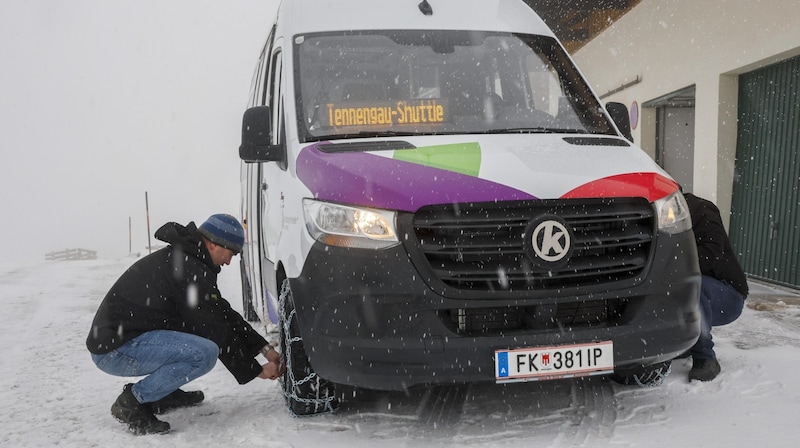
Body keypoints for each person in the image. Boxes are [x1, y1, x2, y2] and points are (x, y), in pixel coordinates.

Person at [86, 214, 284, 435]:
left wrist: (264, 348)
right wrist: (256, 370)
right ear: (213, 244)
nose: (229, 261)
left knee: (197, 334)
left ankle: (161, 393)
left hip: (125, 339)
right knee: (204, 352)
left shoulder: (190, 261)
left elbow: (221, 312)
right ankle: (132, 403)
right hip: (114, 351)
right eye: (231, 254)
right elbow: (216, 328)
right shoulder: (190, 269)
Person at [683, 193, 748, 382]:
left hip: (729, 294)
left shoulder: (701, 209)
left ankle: (705, 357)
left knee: (690, 284)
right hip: (702, 290)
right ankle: (684, 344)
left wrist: (674, 262)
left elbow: (711, 252)